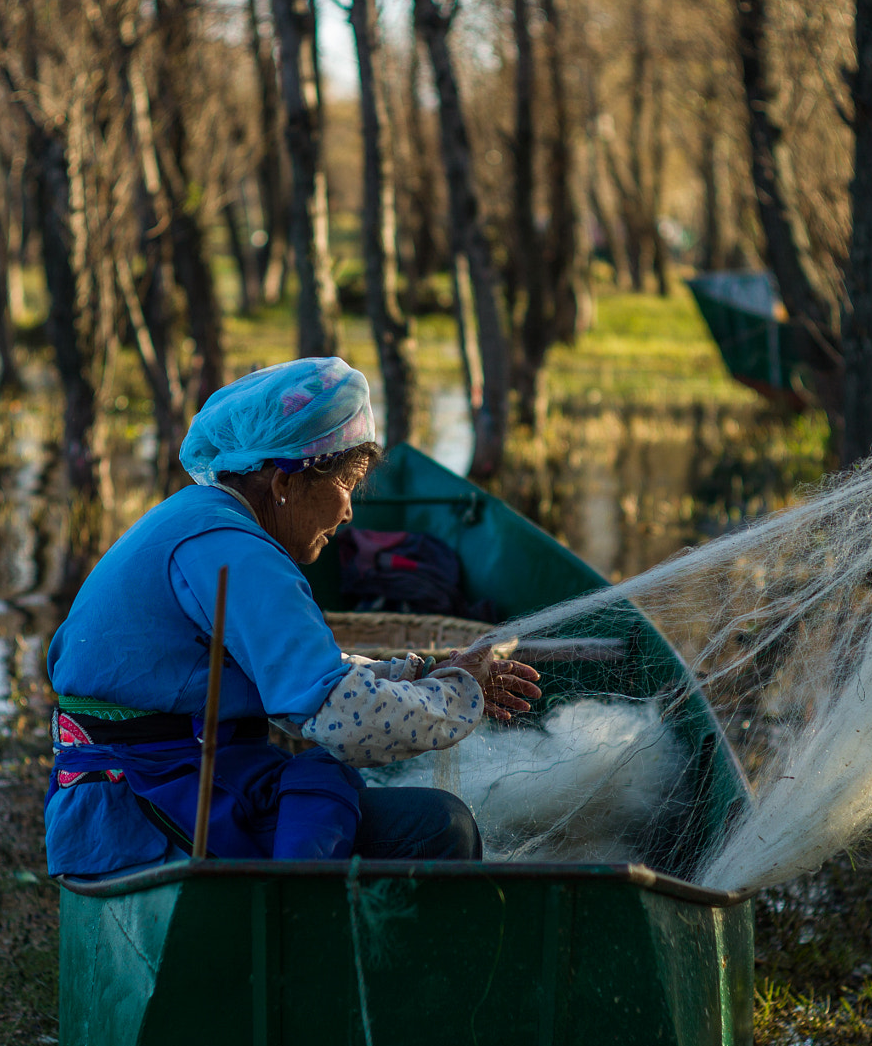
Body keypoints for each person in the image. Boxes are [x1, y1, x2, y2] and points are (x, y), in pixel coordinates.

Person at [42, 357, 542, 879]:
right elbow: (341, 720)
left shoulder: (201, 519)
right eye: (347, 483)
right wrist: (460, 696)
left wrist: (419, 675)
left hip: (118, 794)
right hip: (151, 806)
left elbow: (297, 681)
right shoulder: (236, 551)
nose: (348, 512)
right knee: (440, 825)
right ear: (286, 479)